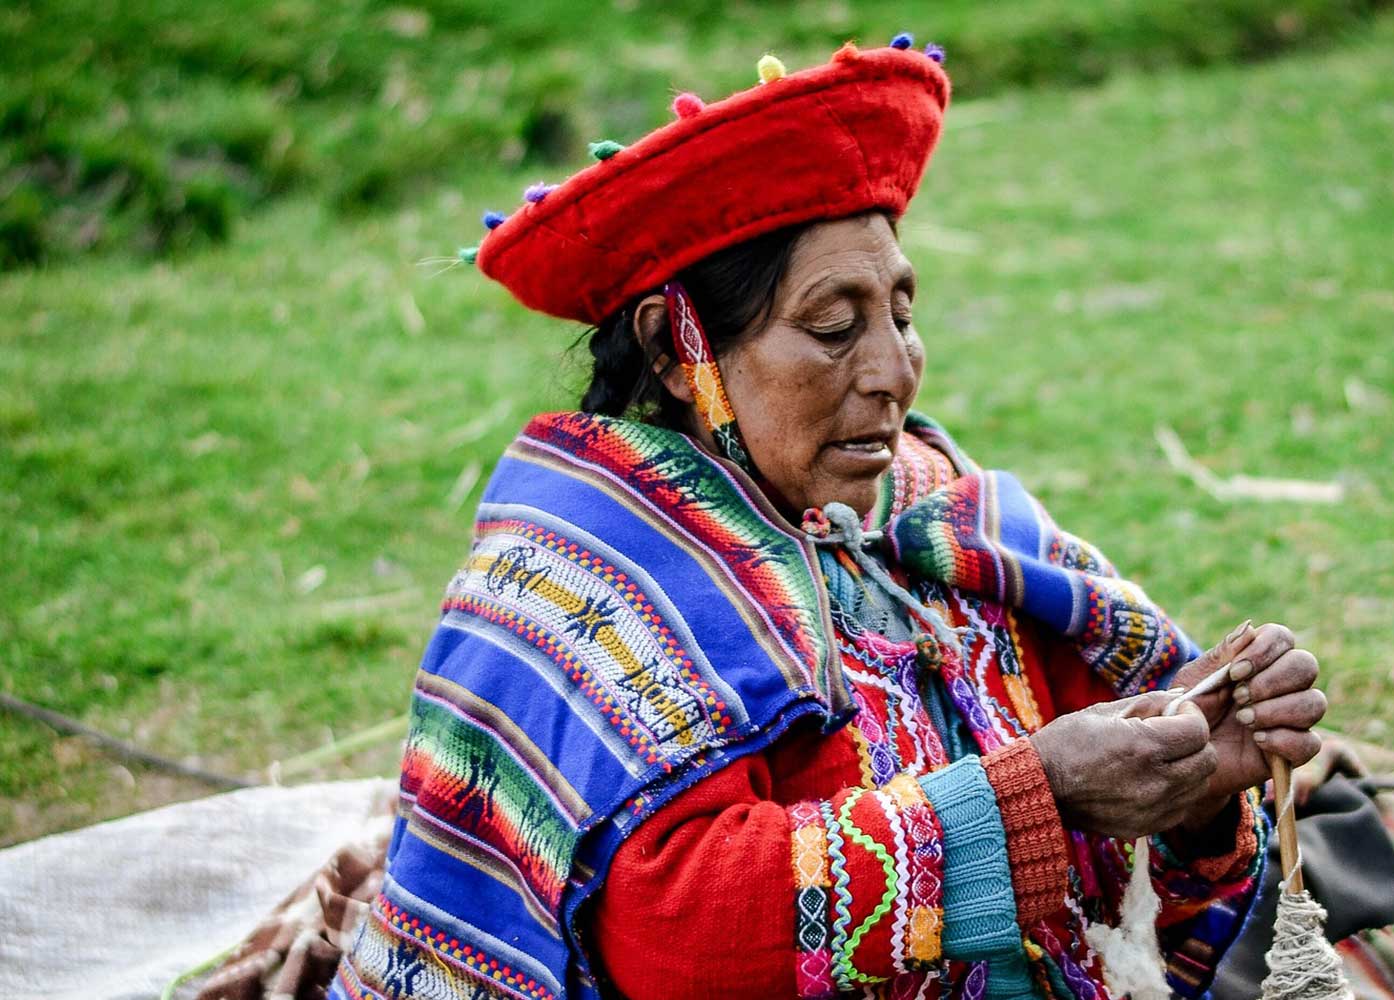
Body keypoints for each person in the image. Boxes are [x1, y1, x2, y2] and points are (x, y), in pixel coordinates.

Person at [328, 36, 1327, 1000]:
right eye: (833, 327)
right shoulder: (583, 578)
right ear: (678, 351)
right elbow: (668, 934)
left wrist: (1199, 772)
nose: (892, 371)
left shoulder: (942, 523)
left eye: (900, 311)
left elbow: (1120, 813)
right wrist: (1037, 794)